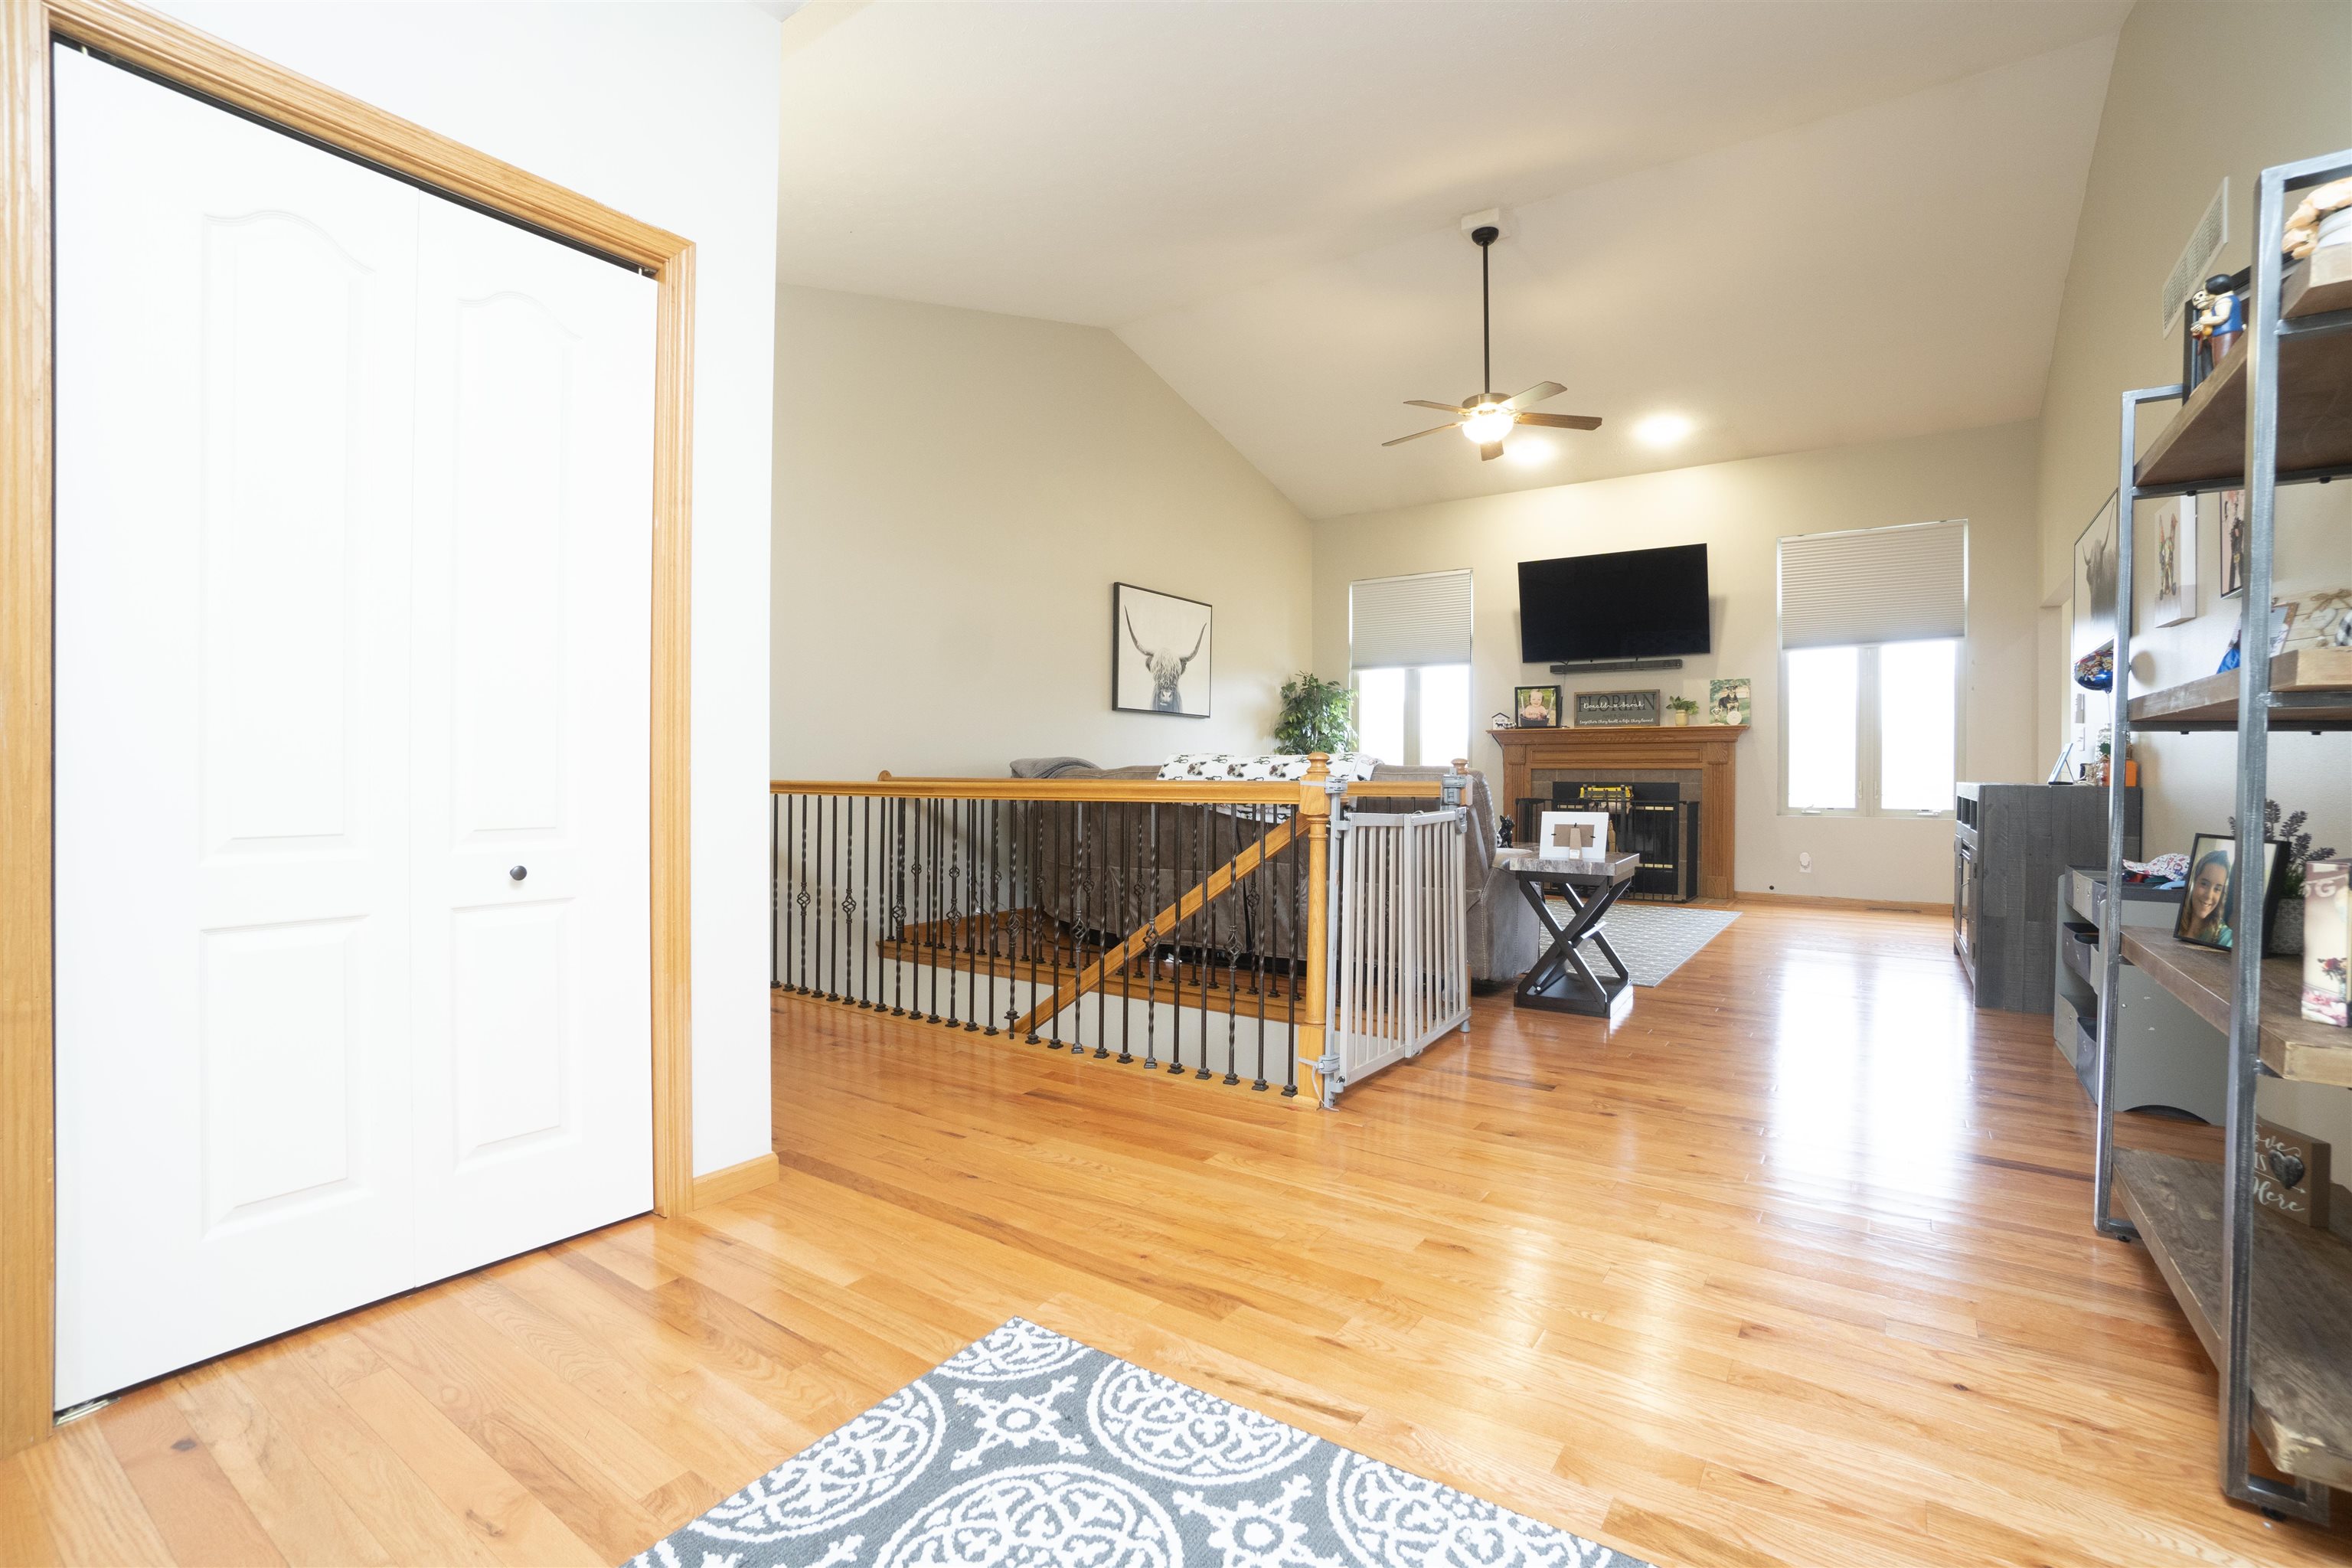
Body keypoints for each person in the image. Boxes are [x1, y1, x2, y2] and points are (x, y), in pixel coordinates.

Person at [2180, 848, 2233, 947]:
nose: (2209, 895)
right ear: (2193, 882)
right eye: (2204, 884)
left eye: (2217, 889)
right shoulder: (2174, 918)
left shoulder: (2226, 938)